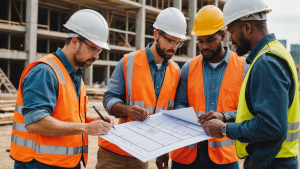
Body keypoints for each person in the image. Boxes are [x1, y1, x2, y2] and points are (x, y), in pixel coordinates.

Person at [10, 9, 114, 169]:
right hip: (38, 164)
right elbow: (35, 123)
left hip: (66, 163)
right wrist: (86, 128)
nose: (96, 56)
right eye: (93, 48)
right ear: (74, 42)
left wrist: (92, 121)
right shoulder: (44, 72)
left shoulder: (74, 73)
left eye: (99, 50)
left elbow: (66, 116)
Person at [201, 0, 299, 169]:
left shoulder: (266, 62)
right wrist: (226, 116)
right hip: (276, 160)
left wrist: (224, 129)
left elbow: (272, 125)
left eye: (232, 31)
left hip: (271, 162)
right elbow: (260, 112)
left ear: (247, 27)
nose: (231, 39)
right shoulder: (276, 52)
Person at [98, 7, 186, 169]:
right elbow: (109, 99)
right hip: (115, 152)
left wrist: (163, 151)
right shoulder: (128, 62)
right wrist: (128, 110)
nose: (174, 47)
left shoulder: (176, 71)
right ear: (155, 35)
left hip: (142, 154)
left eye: (178, 42)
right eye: (169, 40)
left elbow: (168, 116)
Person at [169, 5, 249, 169]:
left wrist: (223, 116)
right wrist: (189, 118)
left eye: (209, 40)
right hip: (186, 155)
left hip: (224, 157)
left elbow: (247, 110)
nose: (204, 46)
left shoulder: (243, 67)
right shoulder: (188, 67)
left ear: (223, 35)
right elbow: (179, 103)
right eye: (200, 41)